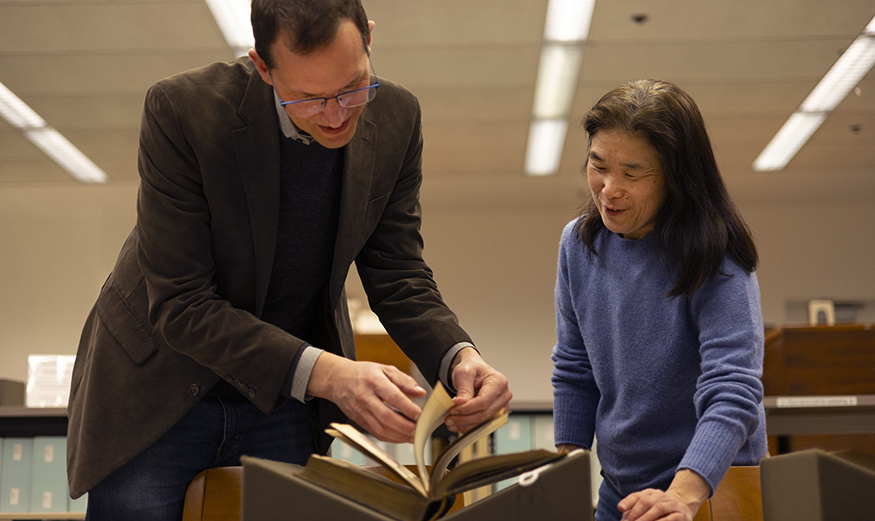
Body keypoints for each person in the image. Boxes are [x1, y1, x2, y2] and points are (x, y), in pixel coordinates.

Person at [66, 1, 511, 519]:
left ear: (368, 38)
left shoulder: (396, 117)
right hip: (161, 389)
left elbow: (398, 276)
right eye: (309, 99)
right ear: (262, 67)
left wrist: (459, 358)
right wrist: (332, 375)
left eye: (352, 87)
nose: (337, 114)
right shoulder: (182, 110)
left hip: (278, 397)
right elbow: (182, 304)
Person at [551, 79, 767, 521]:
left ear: (676, 177)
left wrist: (684, 494)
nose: (609, 188)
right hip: (621, 488)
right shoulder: (579, 244)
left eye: (632, 173)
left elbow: (733, 388)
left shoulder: (714, 253)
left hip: (712, 486)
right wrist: (565, 479)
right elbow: (575, 369)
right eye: (598, 165)